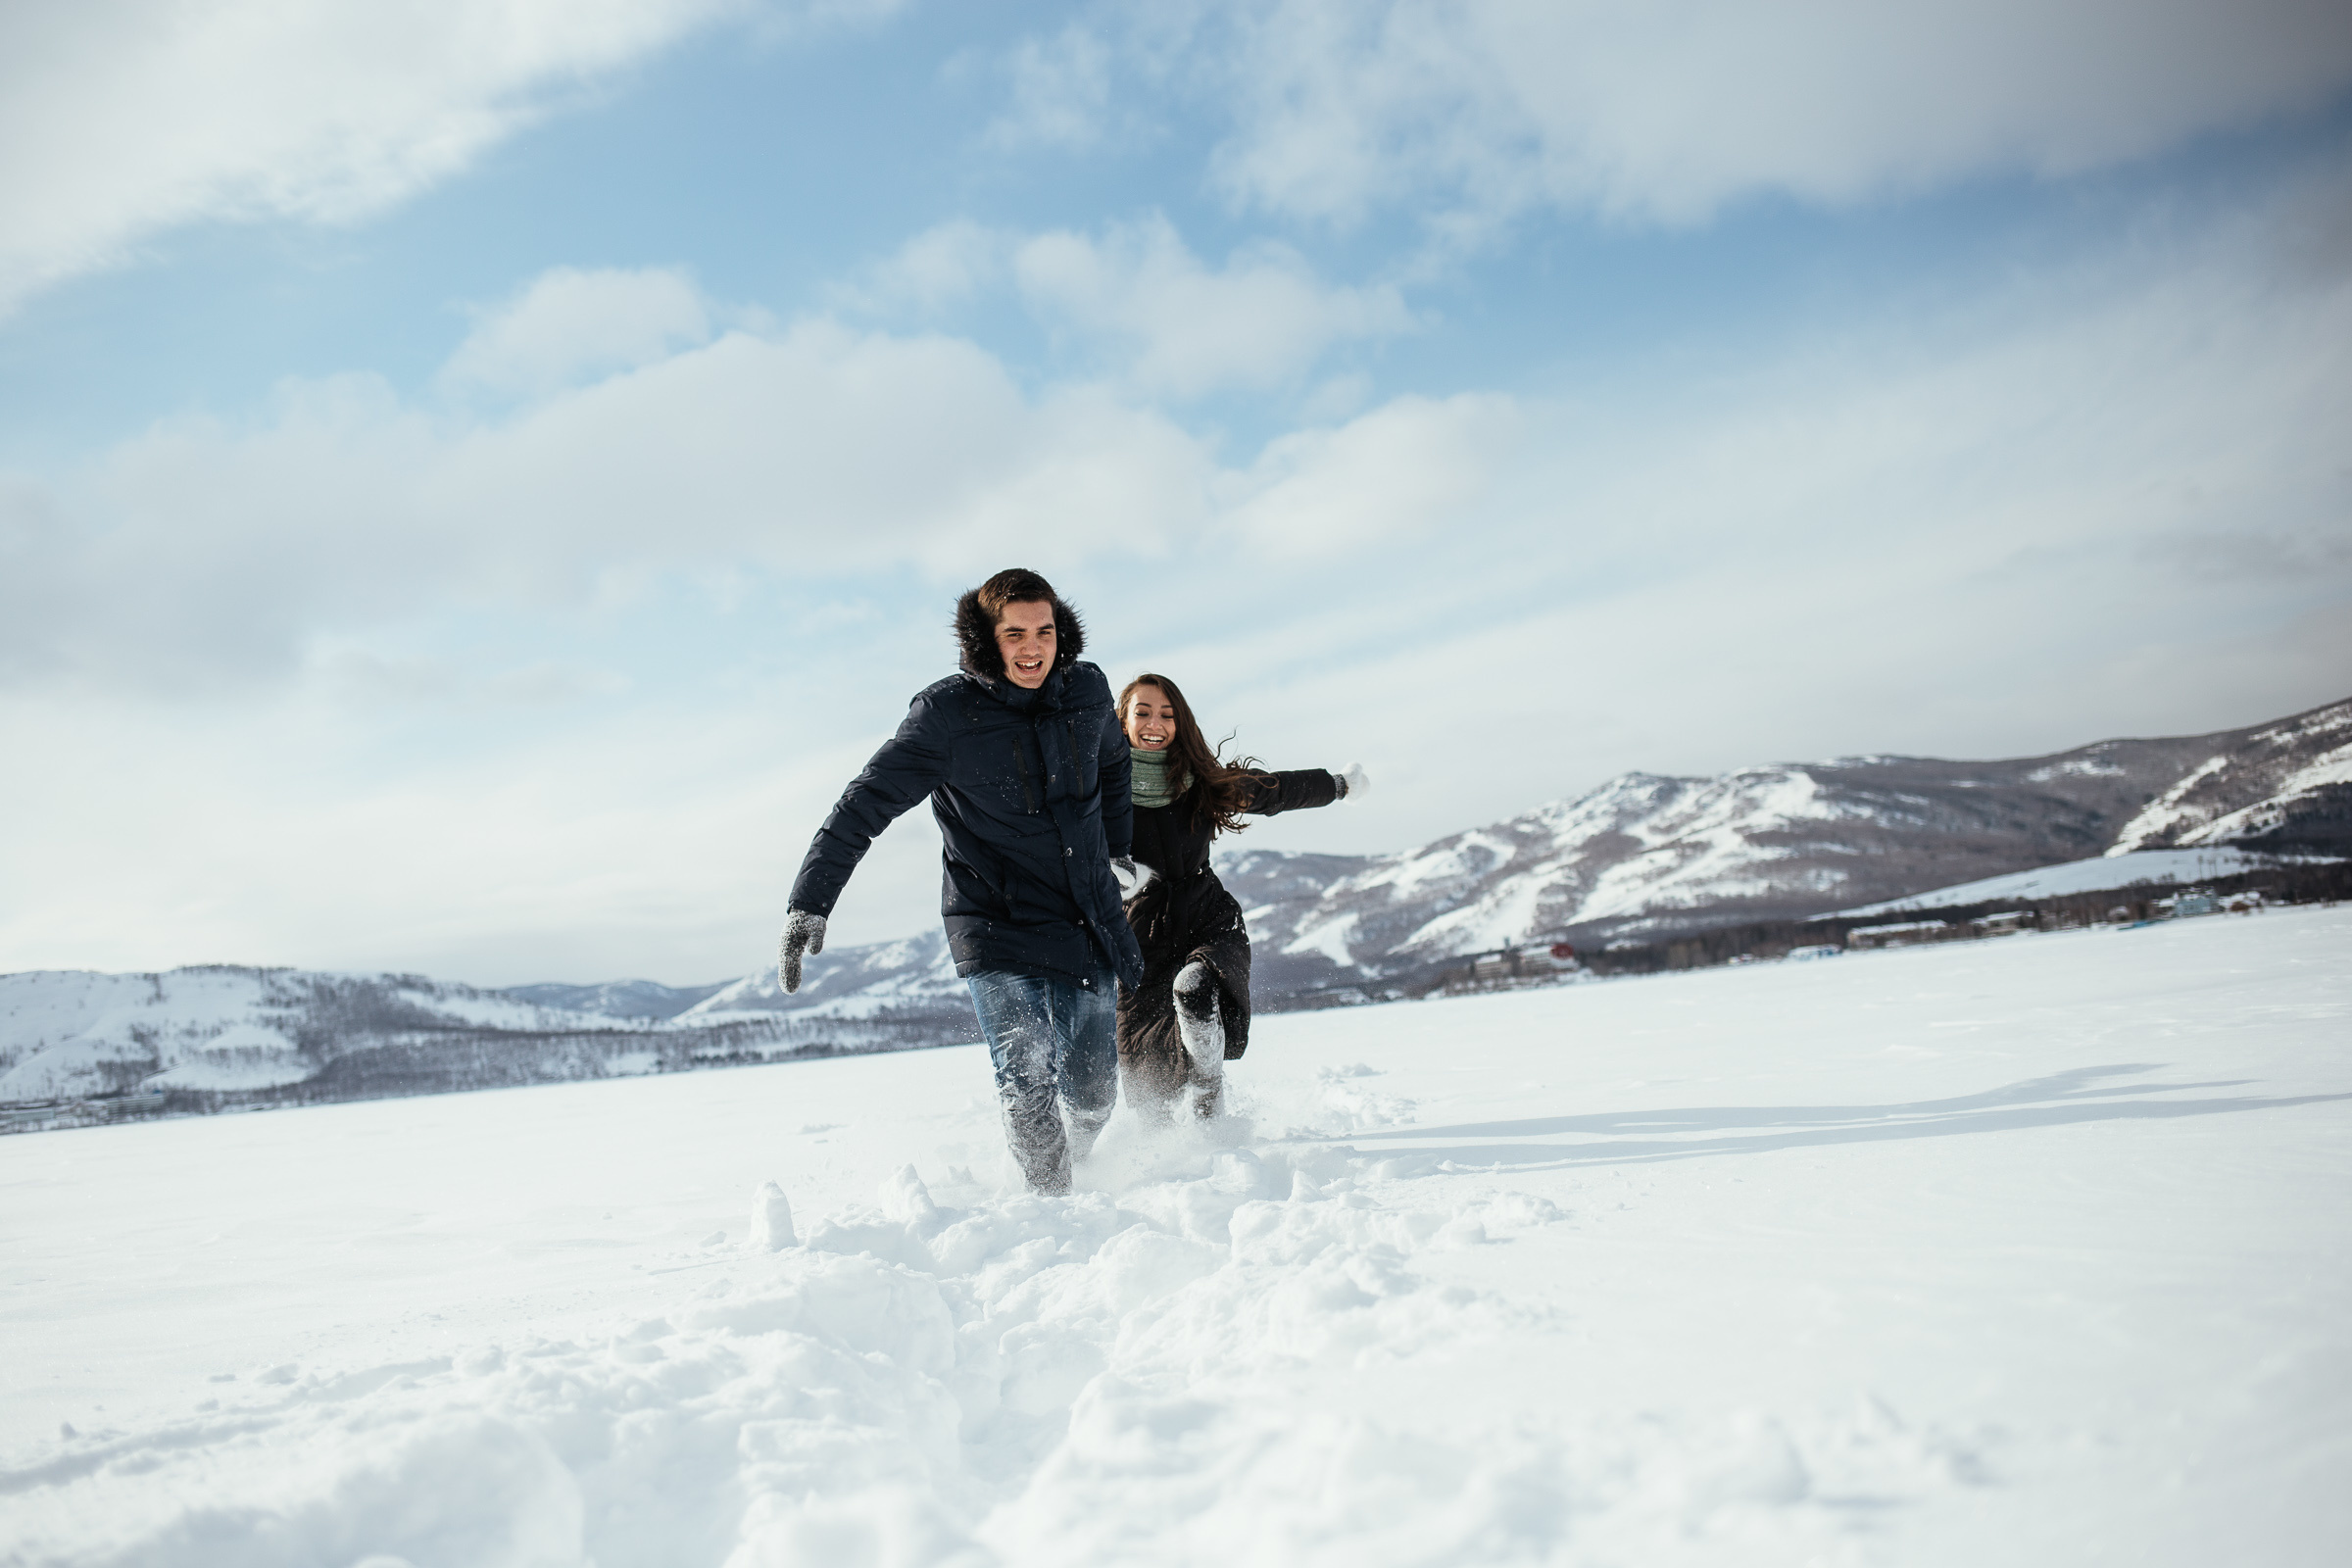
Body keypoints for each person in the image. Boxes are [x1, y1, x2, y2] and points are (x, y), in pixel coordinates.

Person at [777, 568, 1147, 1196]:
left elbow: (1114, 762)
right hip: (992, 918)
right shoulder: (944, 716)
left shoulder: (1087, 691)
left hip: (1084, 910)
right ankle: (1052, 1203)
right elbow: (864, 804)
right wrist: (810, 902)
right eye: (1015, 634)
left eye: (1045, 631)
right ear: (985, 638)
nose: (1033, 648)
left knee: (1092, 1087)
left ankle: (1078, 1161)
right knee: (1025, 1072)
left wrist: (1118, 851)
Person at [1115, 672, 1367, 1120]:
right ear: (1123, 720)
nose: (1156, 723)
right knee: (1146, 1074)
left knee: (1194, 989)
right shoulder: (1099, 793)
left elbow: (1274, 791)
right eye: (1144, 712)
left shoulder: (1200, 781)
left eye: (1167, 714)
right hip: (1140, 938)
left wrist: (1338, 785)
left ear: (1181, 723)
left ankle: (1210, 1094)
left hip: (1205, 918)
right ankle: (1158, 1159)